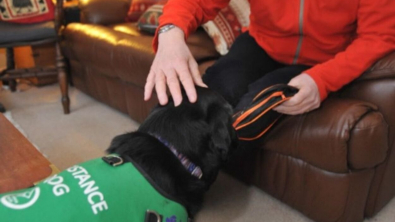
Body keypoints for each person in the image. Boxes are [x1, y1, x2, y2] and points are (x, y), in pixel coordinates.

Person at [144, 0, 395, 116]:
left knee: (251, 113)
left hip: (322, 62)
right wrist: (170, 32)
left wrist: (322, 80)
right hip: (260, 43)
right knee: (202, 96)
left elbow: (378, 37)